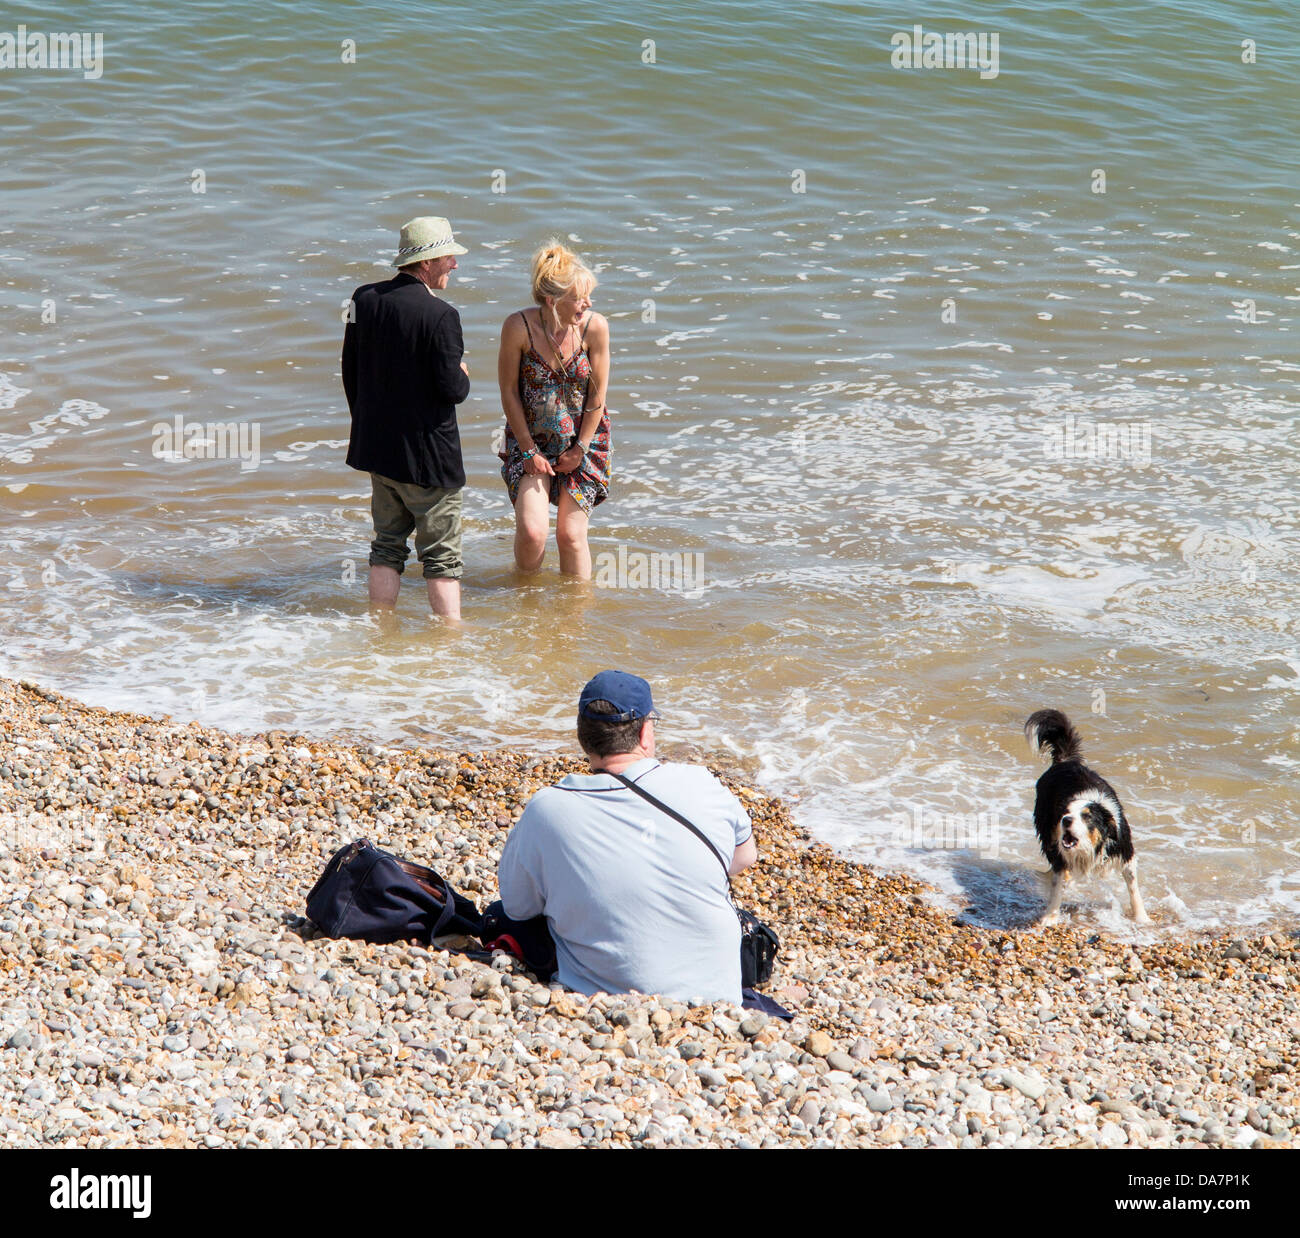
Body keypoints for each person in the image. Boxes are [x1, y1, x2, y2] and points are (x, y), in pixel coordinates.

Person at [497, 671, 758, 1004]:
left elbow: (518, 908)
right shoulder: (703, 783)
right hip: (718, 997)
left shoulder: (548, 808)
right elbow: (744, 857)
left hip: (611, 999)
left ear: (583, 737)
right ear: (645, 733)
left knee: (503, 917)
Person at [343, 216, 471, 620]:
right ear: (428, 261)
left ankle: (380, 628)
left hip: (378, 451)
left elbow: (350, 371)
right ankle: (449, 643)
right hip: (429, 460)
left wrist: (367, 426)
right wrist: (464, 374)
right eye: (449, 256)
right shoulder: (441, 316)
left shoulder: (362, 299)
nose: (454, 264)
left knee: (386, 545)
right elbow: (454, 391)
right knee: (442, 560)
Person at [497, 241, 611, 578]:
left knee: (570, 536)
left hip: (584, 441)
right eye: (579, 298)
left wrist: (580, 448)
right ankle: (525, 602)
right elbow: (508, 392)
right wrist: (529, 449)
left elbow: (597, 396)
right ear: (552, 300)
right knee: (533, 533)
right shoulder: (518, 327)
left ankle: (572, 617)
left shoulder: (594, 328)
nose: (587, 304)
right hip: (528, 440)